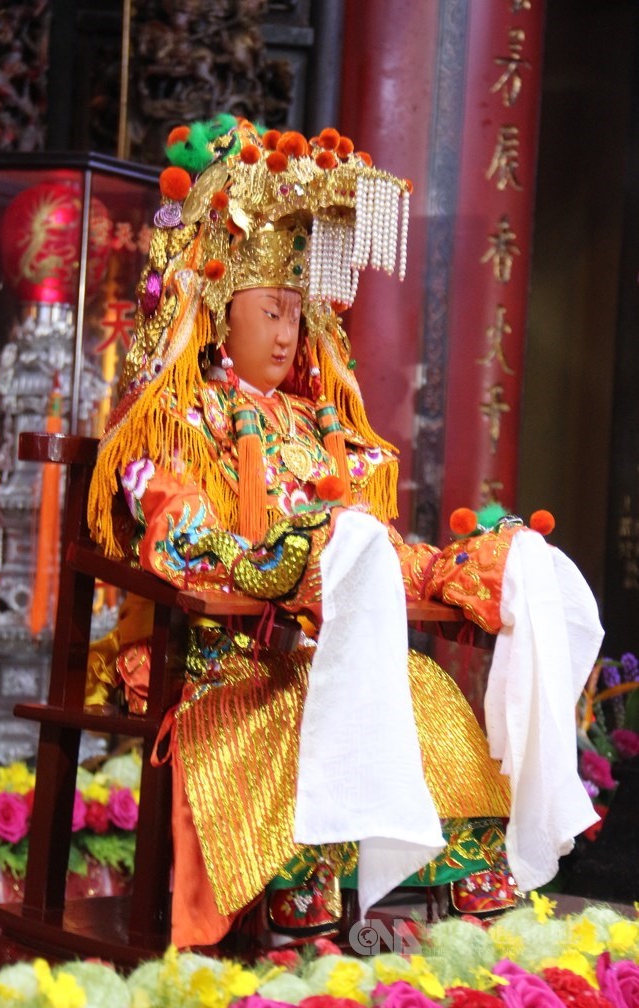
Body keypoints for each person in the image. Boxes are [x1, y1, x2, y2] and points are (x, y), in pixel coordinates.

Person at [88, 115, 603, 948]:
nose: (286, 333)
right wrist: (284, 560)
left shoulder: (314, 423)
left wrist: (470, 568)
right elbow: (175, 537)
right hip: (215, 656)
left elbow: (370, 548)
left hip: (316, 647)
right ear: (220, 311)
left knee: (424, 688)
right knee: (288, 705)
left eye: (296, 313)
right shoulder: (176, 419)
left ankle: (463, 880)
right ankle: (303, 894)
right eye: (269, 310)